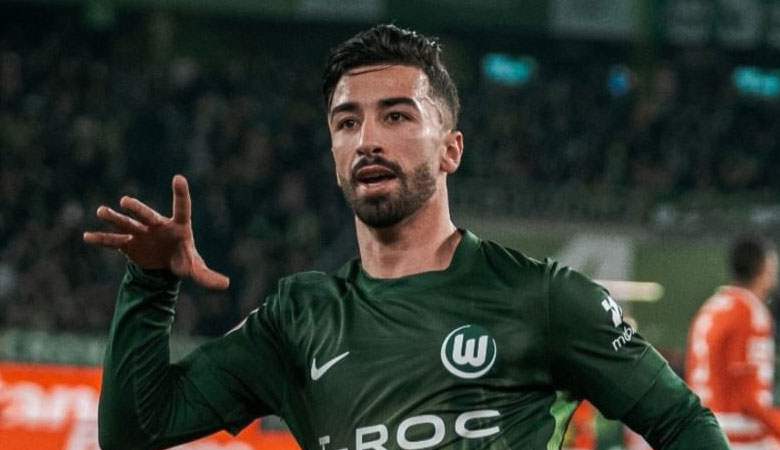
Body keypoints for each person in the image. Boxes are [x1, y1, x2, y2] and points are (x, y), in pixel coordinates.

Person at [84, 24, 728, 450]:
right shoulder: (297, 318)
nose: (368, 139)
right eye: (347, 123)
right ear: (334, 154)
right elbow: (135, 428)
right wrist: (150, 284)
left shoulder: (544, 297)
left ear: (451, 149)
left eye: (396, 115)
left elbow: (683, 423)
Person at [686, 235, 780, 450]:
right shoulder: (751, 313)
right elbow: (749, 396)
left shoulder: (711, 307)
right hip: (733, 434)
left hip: (700, 427)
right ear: (765, 268)